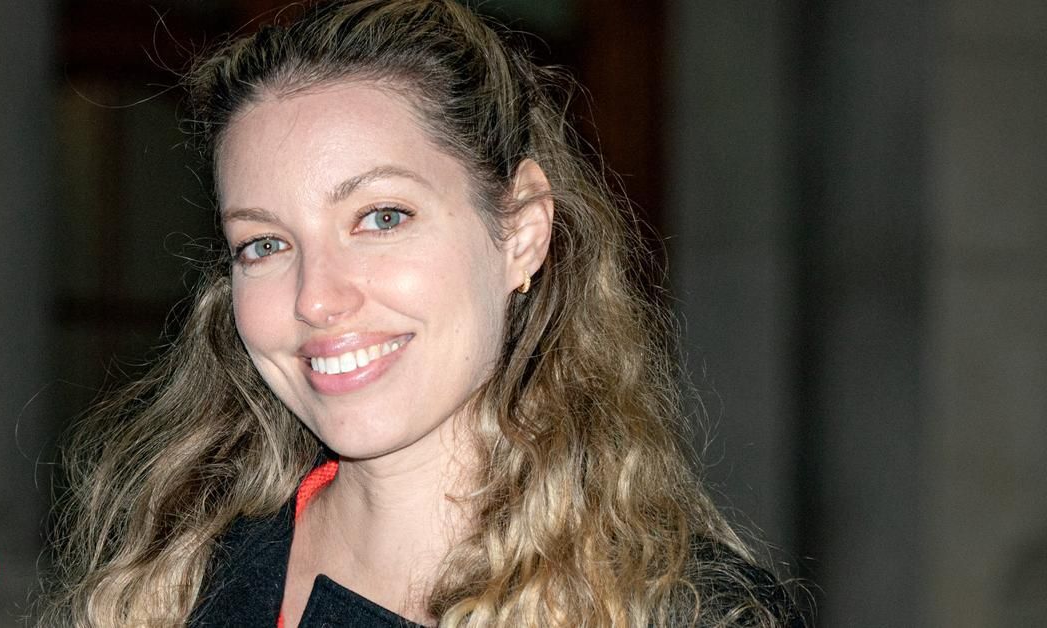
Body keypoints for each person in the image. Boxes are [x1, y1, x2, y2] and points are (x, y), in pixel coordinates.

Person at [39, 1, 804, 626]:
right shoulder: (169, 587)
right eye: (265, 242)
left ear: (522, 230)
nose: (316, 298)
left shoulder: (682, 612)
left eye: (382, 217)